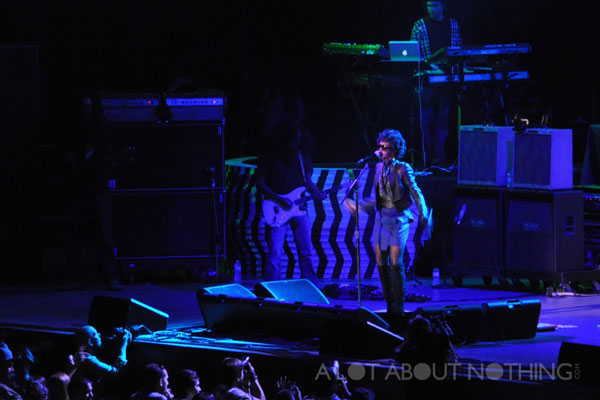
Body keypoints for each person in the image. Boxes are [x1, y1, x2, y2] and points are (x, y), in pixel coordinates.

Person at [344, 130, 428, 315]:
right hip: (382, 220)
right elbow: (379, 197)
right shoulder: (379, 168)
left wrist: (424, 212)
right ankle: (390, 305)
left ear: (394, 149)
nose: (380, 150)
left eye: (385, 147)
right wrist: (359, 207)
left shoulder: (403, 168)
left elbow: (415, 191)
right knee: (381, 261)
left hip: (398, 220)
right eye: (379, 146)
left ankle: (399, 306)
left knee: (395, 262)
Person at [255, 83, 325, 284]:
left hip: (300, 209)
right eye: (295, 137)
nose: (298, 140)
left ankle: (311, 287)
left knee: (306, 251)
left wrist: (317, 192)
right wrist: (279, 199)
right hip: (277, 209)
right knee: (275, 255)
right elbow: (260, 183)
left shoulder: (302, 156)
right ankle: (271, 289)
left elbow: (307, 181)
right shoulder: (269, 155)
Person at [410, 0, 462, 166]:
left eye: (435, 5)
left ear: (443, 6)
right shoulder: (420, 25)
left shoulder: (453, 24)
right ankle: (425, 160)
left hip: (446, 81)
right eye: (429, 6)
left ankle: (439, 160)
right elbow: (412, 52)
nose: (431, 9)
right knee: (425, 120)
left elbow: (458, 50)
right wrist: (429, 65)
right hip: (426, 80)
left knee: (443, 121)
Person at [67, 325, 131, 384]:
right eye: (95, 334)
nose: (99, 334)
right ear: (90, 342)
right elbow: (115, 372)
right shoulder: (87, 359)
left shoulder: (79, 355)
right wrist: (123, 347)